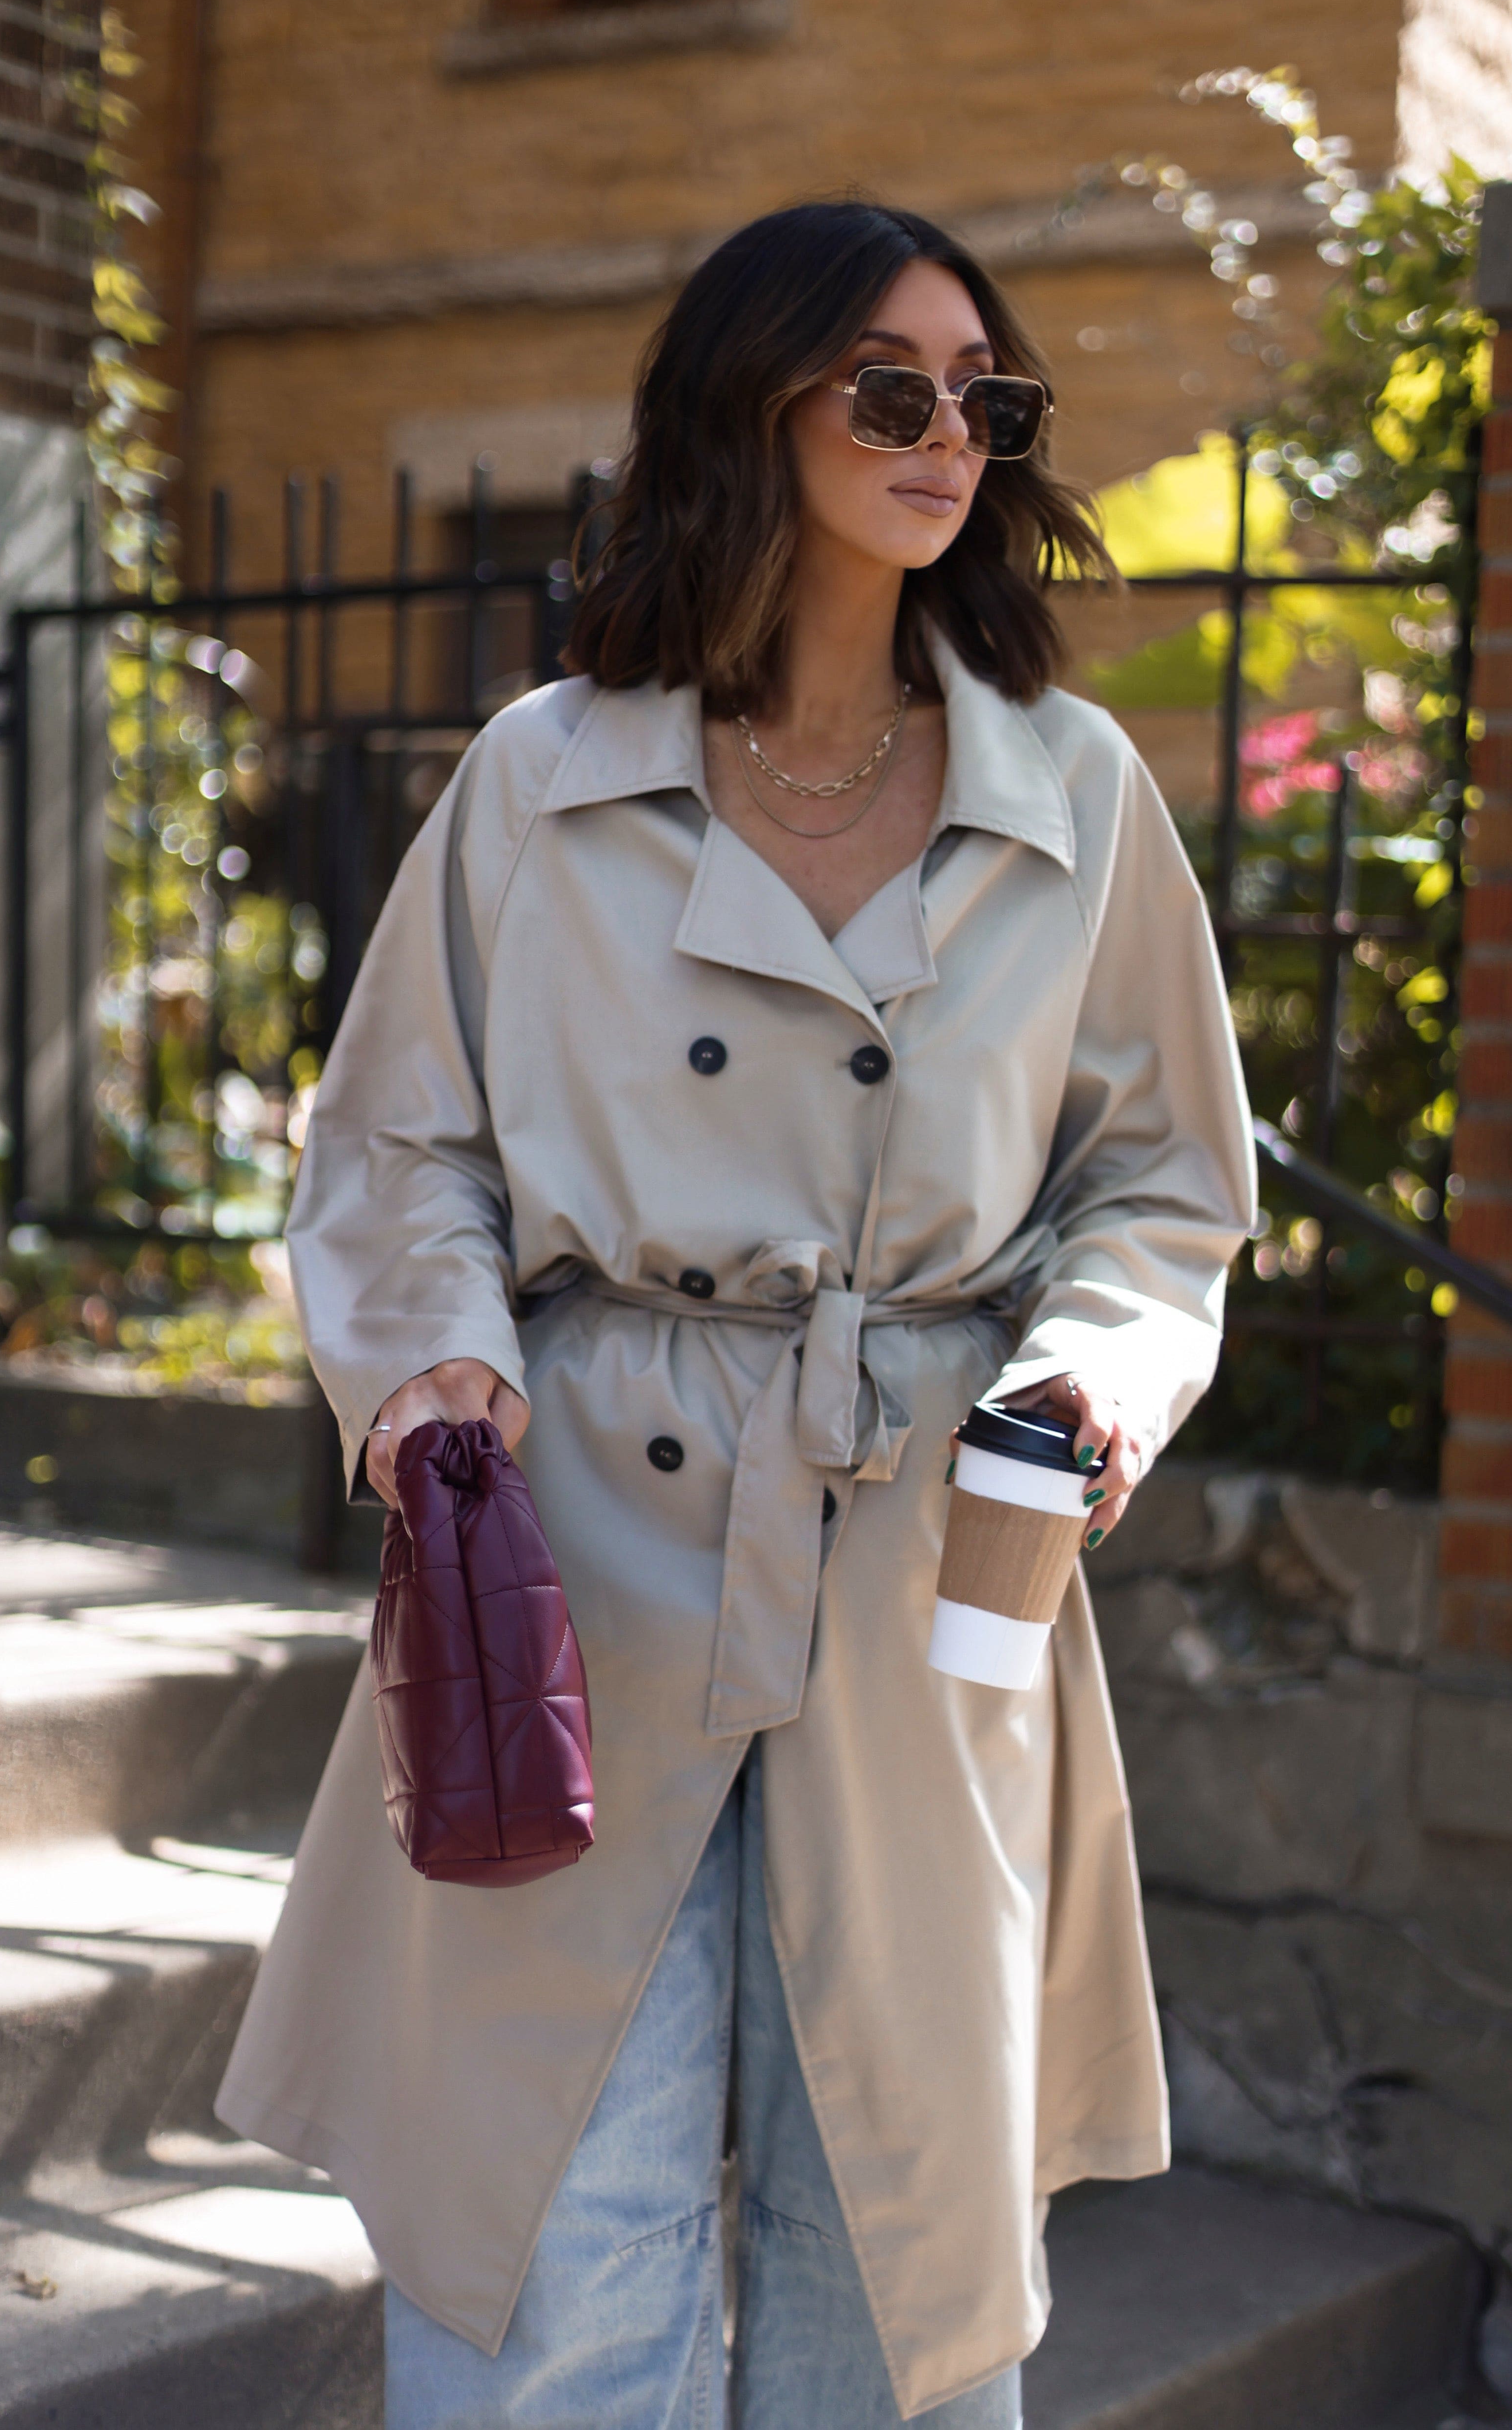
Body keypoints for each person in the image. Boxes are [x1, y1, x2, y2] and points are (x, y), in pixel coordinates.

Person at [216, 200, 1254, 2429]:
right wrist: (434, 1373)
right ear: (747, 406)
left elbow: (1166, 1187)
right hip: (585, 1530)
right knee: (557, 2218)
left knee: (889, 2239)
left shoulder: (1071, 794)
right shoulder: (541, 773)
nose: (949, 435)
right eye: (892, 390)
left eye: (990, 400)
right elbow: (399, 1144)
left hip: (930, 1549)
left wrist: (1090, 1375)